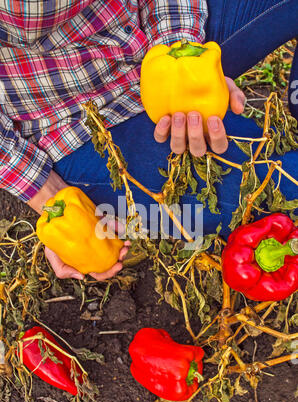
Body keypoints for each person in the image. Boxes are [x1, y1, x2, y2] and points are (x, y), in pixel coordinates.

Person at [0, 0, 297, 282]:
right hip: (74, 123)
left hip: (146, 36)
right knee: (290, 186)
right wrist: (47, 193)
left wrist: (180, 53)